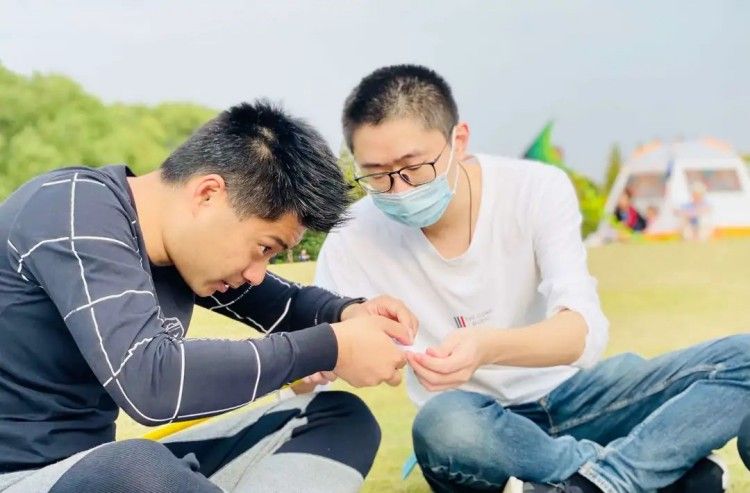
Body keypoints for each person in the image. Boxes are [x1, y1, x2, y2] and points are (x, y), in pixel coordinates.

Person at [314, 64, 749, 493]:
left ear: (458, 141)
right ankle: (652, 472)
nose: (400, 189)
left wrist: (487, 347)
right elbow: (310, 366)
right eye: (376, 175)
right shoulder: (353, 236)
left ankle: (598, 482)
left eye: (415, 167)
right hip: (478, 424)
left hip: (578, 395)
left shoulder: (534, 189)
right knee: (443, 427)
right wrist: (339, 355)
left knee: (742, 356)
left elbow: (583, 332)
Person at [0, 101, 419, 492]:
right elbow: (153, 384)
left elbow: (286, 306)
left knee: (336, 418)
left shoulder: (179, 251)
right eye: (263, 247)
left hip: (91, 472)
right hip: (22, 477)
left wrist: (348, 314)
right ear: (207, 195)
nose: (257, 274)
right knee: (136, 469)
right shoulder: (74, 209)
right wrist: (330, 347)